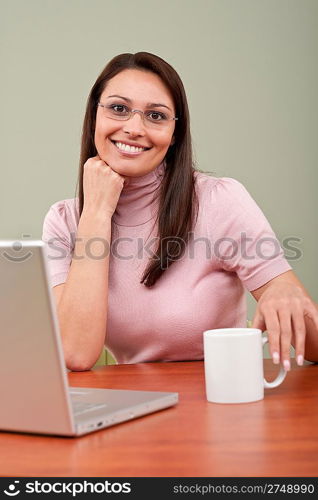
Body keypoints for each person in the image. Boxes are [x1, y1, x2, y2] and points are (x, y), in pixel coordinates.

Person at [42, 51, 318, 371]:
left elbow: (314, 345)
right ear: (94, 117)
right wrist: (97, 213)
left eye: (156, 115)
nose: (134, 128)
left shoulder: (218, 201)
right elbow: (75, 353)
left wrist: (283, 291)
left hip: (221, 401)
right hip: (135, 405)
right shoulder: (64, 222)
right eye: (118, 109)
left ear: (174, 135)